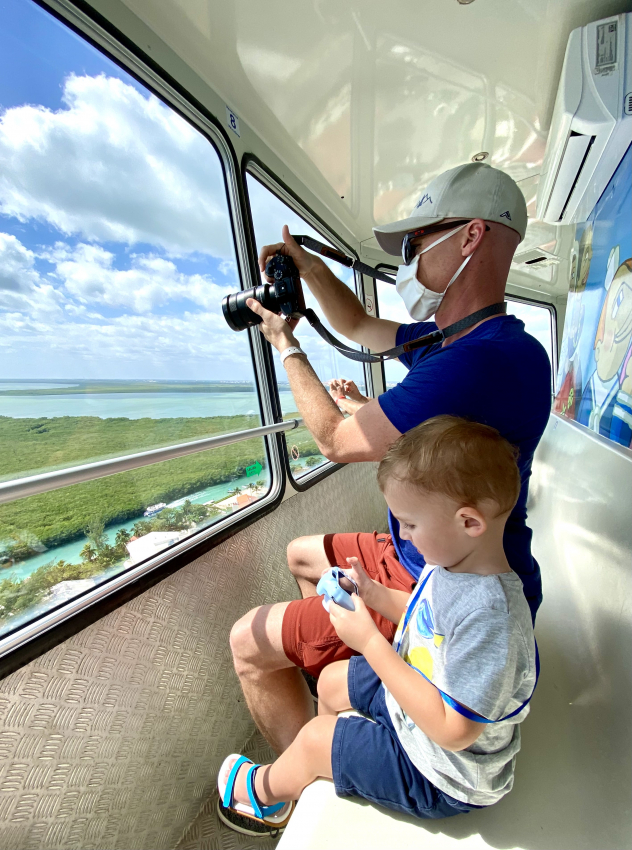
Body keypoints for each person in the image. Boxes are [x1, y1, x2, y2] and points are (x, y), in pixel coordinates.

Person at [230, 162, 551, 755]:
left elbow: (334, 440)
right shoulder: (449, 340)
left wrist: (287, 344)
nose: (407, 264)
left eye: (415, 245)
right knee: (302, 556)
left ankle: (306, 774)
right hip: (426, 545)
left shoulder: (482, 360)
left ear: (470, 237)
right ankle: (352, 670)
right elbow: (355, 324)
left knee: (245, 643)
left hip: (442, 572)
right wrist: (310, 269)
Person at [218, 417, 538, 836]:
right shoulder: (456, 565)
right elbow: (426, 616)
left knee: (315, 739)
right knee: (331, 680)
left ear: (469, 522)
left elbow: (455, 730)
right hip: (419, 704)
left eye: (410, 523)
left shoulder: (492, 620)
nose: (402, 535)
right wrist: (374, 595)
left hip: (443, 772)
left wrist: (370, 641)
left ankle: (264, 795)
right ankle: (335, 759)